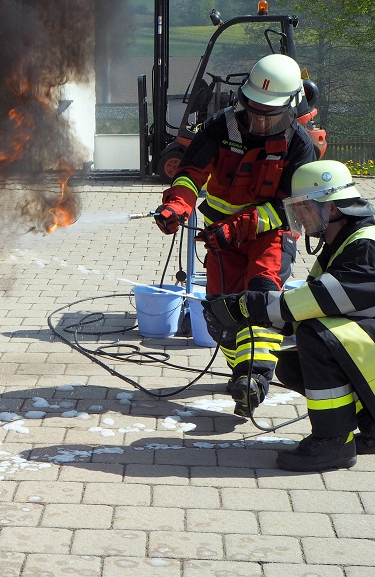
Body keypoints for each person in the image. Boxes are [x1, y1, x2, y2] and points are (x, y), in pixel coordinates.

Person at [154, 53, 316, 418]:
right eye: (253, 111)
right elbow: (190, 174)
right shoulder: (219, 126)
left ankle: (254, 378)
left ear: (291, 107)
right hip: (221, 239)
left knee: (260, 298)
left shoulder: (299, 144)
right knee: (219, 312)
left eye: (270, 115)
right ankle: (239, 370)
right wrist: (177, 206)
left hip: (270, 236)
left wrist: (237, 227)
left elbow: (294, 207)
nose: (259, 121)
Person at [202, 160, 375, 471]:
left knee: (319, 337)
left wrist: (249, 306)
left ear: (331, 208)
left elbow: (321, 298)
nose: (300, 218)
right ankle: (371, 426)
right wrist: (252, 316)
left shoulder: (365, 246)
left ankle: (333, 443)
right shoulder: (344, 240)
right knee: (294, 360)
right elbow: (309, 306)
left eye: (304, 208)